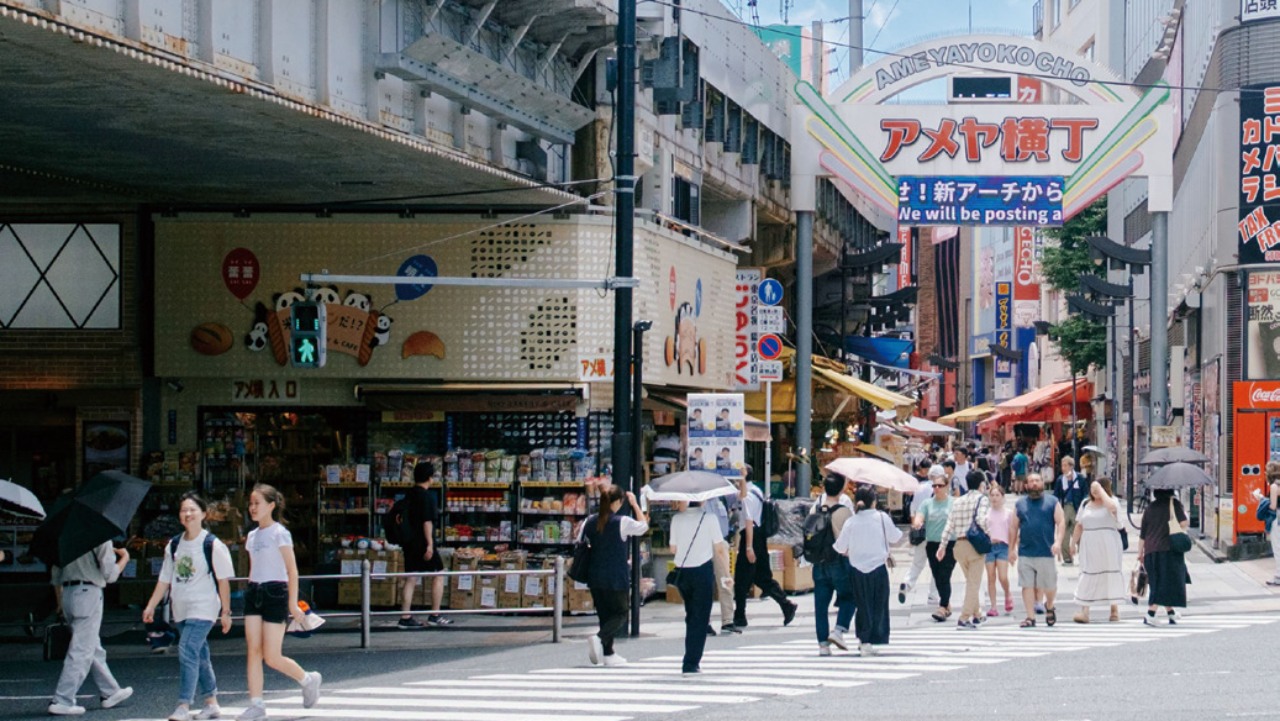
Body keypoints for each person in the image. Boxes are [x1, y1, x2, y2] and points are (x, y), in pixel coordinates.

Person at [142, 492, 235, 721]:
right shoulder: (174, 545)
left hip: (204, 608)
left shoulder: (212, 544)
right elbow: (164, 579)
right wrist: (151, 606)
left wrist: (225, 612)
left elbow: (223, 580)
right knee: (199, 654)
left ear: (204, 514)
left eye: (193, 509)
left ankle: (183, 705)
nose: (188, 513)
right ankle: (211, 702)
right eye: (184, 509)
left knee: (187, 650)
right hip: (181, 608)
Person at [239, 484, 321, 721]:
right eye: (251, 503)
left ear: (271, 505)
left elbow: (292, 570)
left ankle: (307, 679)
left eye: (257, 503)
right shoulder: (252, 536)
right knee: (252, 650)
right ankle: (256, 704)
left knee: (271, 656)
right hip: (254, 590)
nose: (252, 507)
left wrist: (293, 604)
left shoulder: (280, 533)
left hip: (276, 591)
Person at [48, 541, 134, 716]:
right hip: (89, 592)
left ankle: (110, 691)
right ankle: (63, 699)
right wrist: (124, 558)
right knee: (82, 650)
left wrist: (60, 603)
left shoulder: (64, 537)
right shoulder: (100, 537)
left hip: (68, 594)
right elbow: (110, 575)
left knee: (91, 645)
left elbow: (55, 575)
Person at [583, 486, 649, 667]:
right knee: (621, 612)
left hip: (594, 576)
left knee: (605, 616)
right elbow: (643, 526)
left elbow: (579, 539)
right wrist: (636, 504)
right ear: (617, 502)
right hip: (615, 576)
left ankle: (609, 654)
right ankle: (599, 638)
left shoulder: (590, 521)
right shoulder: (622, 521)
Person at [833, 486, 902, 656]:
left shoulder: (851, 521)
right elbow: (896, 537)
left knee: (862, 605)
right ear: (874, 501)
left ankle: (864, 640)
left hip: (856, 569)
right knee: (878, 605)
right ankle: (871, 639)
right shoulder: (881, 517)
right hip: (878, 568)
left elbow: (840, 547)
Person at [732, 480, 798, 630]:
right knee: (762, 577)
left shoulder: (748, 496)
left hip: (750, 538)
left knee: (741, 579)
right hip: (759, 537)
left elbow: (749, 522)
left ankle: (740, 616)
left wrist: (748, 547)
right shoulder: (756, 490)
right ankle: (786, 604)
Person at [1009, 472, 1065, 628]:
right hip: (1025, 552)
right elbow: (1014, 527)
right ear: (1026, 485)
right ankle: (1030, 617)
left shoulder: (1052, 501)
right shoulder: (1020, 504)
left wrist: (1058, 542)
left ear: (1042, 483)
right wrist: (1011, 549)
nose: (1034, 483)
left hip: (1046, 551)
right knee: (1026, 585)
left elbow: (1060, 522)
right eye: (1031, 481)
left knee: (1050, 586)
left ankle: (1050, 606)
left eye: (1037, 480)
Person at [399, 461, 451, 629]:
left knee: (411, 577)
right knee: (438, 574)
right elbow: (427, 522)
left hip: (408, 542)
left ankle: (405, 616)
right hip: (423, 542)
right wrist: (429, 545)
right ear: (430, 477)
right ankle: (435, 615)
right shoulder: (427, 496)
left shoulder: (409, 494)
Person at [670, 500, 719, 674]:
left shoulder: (677, 519)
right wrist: (726, 575)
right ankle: (691, 661)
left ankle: (690, 655)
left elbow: (673, 548)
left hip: (683, 572)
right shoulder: (710, 518)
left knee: (691, 614)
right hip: (702, 570)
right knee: (700, 617)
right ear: (703, 500)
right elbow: (719, 548)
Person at [938, 470, 990, 629]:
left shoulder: (957, 501)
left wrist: (942, 545)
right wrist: (990, 532)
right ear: (981, 484)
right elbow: (982, 520)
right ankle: (964, 618)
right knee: (974, 584)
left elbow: (949, 524)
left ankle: (977, 614)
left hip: (958, 546)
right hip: (975, 546)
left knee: (971, 582)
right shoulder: (982, 499)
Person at [810, 475, 855, 656]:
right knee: (850, 596)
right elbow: (850, 539)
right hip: (838, 561)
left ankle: (822, 645)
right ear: (842, 489)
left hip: (818, 562)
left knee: (821, 605)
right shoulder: (844, 512)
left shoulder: (815, 508)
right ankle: (839, 630)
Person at [1070, 479, 1126, 624]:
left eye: (1098, 488)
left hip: (1108, 542)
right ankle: (1085, 610)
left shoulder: (1112, 501)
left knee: (1110, 572)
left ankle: (1114, 609)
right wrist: (1073, 543)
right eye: (1092, 488)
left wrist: (1101, 491)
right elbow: (1079, 525)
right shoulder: (1085, 504)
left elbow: (1113, 508)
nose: (1094, 491)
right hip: (1089, 543)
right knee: (1087, 573)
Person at [1138, 488, 1190, 626]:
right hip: (1168, 550)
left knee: (1159, 581)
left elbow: (1143, 534)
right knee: (1165, 583)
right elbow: (1184, 524)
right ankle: (1150, 614)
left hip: (1150, 551)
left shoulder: (1149, 508)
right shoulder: (1175, 504)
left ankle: (1171, 613)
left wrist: (1140, 554)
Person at [899, 464, 942, 607]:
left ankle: (907, 583)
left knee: (917, 563)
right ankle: (933, 596)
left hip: (920, 531)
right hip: (936, 532)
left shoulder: (920, 487)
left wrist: (914, 529)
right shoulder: (940, 490)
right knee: (936, 565)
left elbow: (912, 511)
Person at [917, 472, 955, 622]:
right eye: (934, 486)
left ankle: (942, 606)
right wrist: (918, 522)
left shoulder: (954, 503)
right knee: (937, 575)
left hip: (950, 544)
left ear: (947, 487)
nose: (937, 488)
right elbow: (920, 515)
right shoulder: (927, 503)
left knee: (944, 575)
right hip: (932, 544)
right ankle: (947, 606)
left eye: (940, 485)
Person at [705, 495, 739, 635]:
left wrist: (742, 478)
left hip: (721, 542)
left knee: (726, 580)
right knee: (705, 585)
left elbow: (740, 497)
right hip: (704, 543)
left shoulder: (722, 498)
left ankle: (728, 620)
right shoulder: (697, 500)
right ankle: (704, 621)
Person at [984, 484, 1014, 617]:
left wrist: (1013, 549)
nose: (995, 498)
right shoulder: (985, 513)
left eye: (997, 495)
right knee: (991, 577)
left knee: (1002, 576)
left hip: (1003, 546)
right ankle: (993, 606)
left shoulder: (1008, 513)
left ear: (1002, 497)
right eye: (992, 495)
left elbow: (1013, 532)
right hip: (989, 547)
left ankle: (1007, 594)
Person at [1055, 457, 1086, 565]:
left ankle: (1083, 555)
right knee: (1063, 533)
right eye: (1062, 465)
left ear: (1071, 466)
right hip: (1064, 508)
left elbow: (1085, 493)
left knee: (1078, 532)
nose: (1063, 468)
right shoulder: (1060, 480)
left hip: (1077, 508)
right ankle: (1067, 557)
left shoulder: (1080, 478)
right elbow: (1056, 496)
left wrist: (1084, 507)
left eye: (1065, 465)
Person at [1267, 462, 1280, 586]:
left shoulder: (1274, 487)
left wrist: (1261, 499)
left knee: (1277, 547)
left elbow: (1273, 506)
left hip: (1277, 518)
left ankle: (1278, 575)